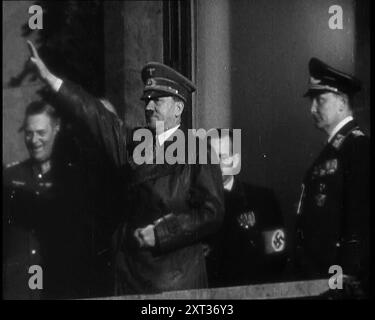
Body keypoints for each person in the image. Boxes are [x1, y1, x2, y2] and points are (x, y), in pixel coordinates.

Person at [26, 41, 225, 295]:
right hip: (130, 281)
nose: (149, 107)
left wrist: (163, 233)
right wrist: (51, 80)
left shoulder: (197, 149)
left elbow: (212, 212)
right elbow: (95, 115)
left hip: (173, 286)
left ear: (179, 108)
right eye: (147, 101)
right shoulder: (132, 142)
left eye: (158, 101)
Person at [3, 101, 94, 299]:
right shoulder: (9, 177)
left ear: (57, 129)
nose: (34, 140)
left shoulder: (74, 179)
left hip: (60, 289)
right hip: (17, 290)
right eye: (29, 133)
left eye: (41, 133)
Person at [295, 58, 369, 296]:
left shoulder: (357, 148)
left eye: (320, 100)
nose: (312, 109)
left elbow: (360, 218)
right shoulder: (332, 152)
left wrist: (348, 272)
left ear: (342, 102)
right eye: (312, 100)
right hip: (322, 276)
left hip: (343, 278)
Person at [205, 129, 287, 287]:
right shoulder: (193, 202)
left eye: (222, 157)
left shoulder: (262, 199)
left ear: (235, 160)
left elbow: (277, 257)